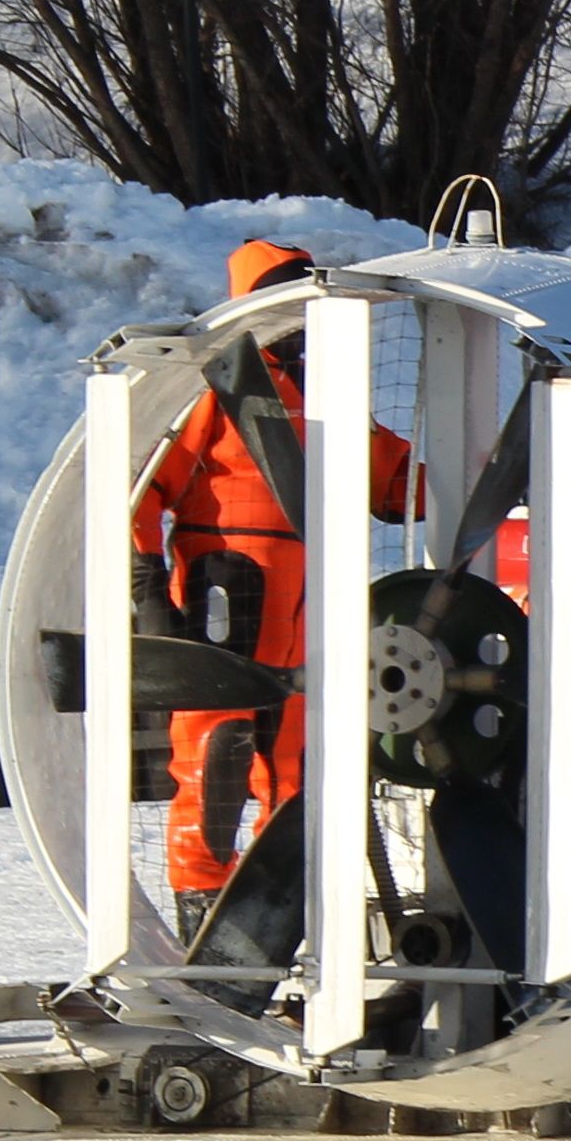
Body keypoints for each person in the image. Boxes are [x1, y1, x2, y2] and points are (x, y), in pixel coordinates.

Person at [132, 239, 417, 913]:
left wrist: (494, 472)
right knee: (216, 755)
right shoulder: (211, 384)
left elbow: (396, 485)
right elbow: (138, 488)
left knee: (299, 770)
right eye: (290, 303)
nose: (302, 322)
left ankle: (281, 923)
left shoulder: (329, 392)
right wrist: (144, 590)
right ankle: (205, 924)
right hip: (225, 593)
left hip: (312, 608)